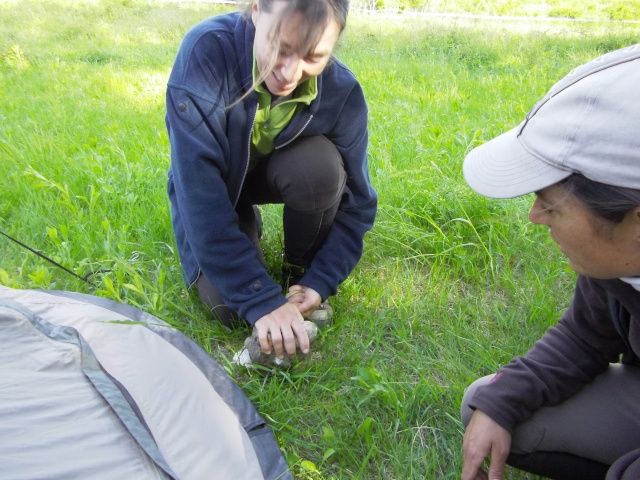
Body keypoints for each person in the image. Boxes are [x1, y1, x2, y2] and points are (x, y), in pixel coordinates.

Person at [460, 43, 640, 480]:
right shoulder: (615, 261)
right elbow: (584, 336)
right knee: (487, 403)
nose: (534, 217)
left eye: (551, 205)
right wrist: (503, 401)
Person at [165, 0, 377, 359]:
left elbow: (359, 204)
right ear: (256, 10)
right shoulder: (206, 54)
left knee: (319, 170)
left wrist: (321, 279)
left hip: (286, 171)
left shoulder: (343, 92)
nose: (290, 71)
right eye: (281, 46)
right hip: (214, 187)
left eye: (314, 56)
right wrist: (260, 300)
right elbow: (199, 196)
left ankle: (299, 270)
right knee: (230, 309)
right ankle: (244, 222)